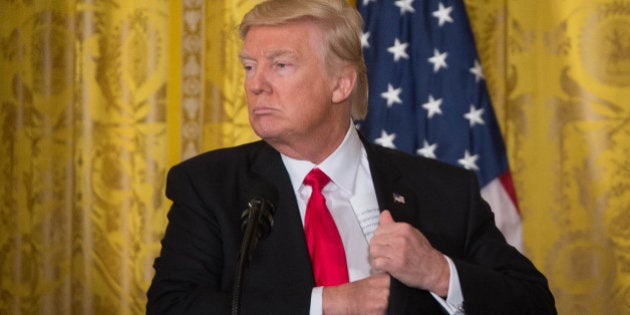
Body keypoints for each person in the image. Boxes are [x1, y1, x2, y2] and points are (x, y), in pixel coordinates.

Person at [146, 0, 556, 314]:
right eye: (250, 66)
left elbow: (535, 303)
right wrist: (327, 304)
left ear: (341, 84)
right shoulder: (209, 185)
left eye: (281, 65)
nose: (257, 85)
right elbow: (172, 306)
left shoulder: (444, 190)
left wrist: (438, 272)